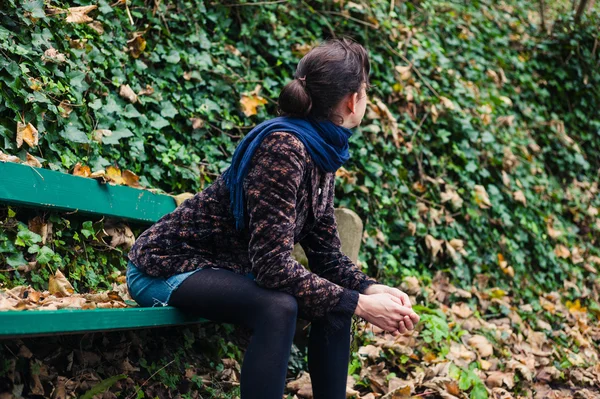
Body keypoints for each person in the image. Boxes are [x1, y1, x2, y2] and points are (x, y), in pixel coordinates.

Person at [126, 38, 420, 399]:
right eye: (365, 90)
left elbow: (326, 255)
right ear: (351, 101)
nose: (367, 98)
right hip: (165, 269)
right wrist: (359, 303)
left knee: (334, 306)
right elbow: (272, 268)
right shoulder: (283, 148)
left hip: (223, 270)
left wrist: (371, 289)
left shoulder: (319, 152)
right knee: (279, 306)